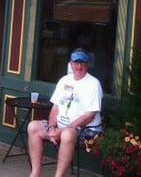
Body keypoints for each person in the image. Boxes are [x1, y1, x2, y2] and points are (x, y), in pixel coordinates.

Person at [28, 49, 103, 177]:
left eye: (82, 63)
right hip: (61, 126)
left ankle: (59, 175)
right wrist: (52, 128)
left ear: (87, 65)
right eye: (76, 63)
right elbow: (55, 108)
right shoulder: (64, 80)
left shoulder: (93, 84)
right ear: (71, 64)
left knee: (67, 134)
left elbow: (89, 116)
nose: (79, 67)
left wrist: (63, 130)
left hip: (88, 131)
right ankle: (35, 172)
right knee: (33, 126)